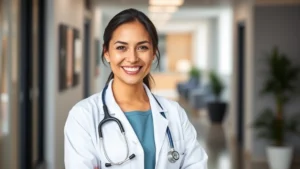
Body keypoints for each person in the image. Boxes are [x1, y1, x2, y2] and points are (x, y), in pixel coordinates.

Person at [64, 8, 208, 169]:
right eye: (121, 47)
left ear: (154, 53)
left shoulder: (175, 113)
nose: (132, 58)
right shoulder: (83, 116)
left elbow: (196, 164)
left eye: (142, 47)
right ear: (106, 52)